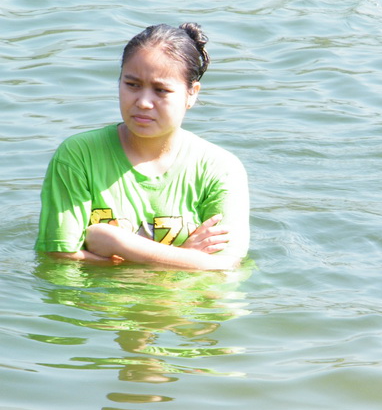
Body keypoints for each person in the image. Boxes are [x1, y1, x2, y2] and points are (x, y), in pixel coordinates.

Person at [35, 23, 250, 270]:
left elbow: (225, 268)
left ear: (192, 93)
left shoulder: (220, 168)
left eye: (161, 90)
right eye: (132, 85)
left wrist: (118, 243)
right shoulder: (78, 155)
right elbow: (59, 257)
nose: (144, 102)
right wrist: (183, 259)